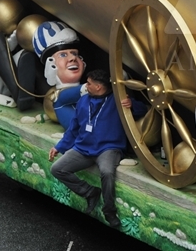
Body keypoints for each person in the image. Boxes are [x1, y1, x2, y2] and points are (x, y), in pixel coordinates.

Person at [50, 69, 142, 229]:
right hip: (82, 148)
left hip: (108, 148)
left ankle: (109, 211)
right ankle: (90, 192)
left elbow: (144, 110)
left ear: (99, 87)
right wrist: (59, 147)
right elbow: (73, 129)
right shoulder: (83, 101)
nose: (86, 85)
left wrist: (132, 104)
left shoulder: (117, 100)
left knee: (106, 172)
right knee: (57, 169)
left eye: (89, 83)